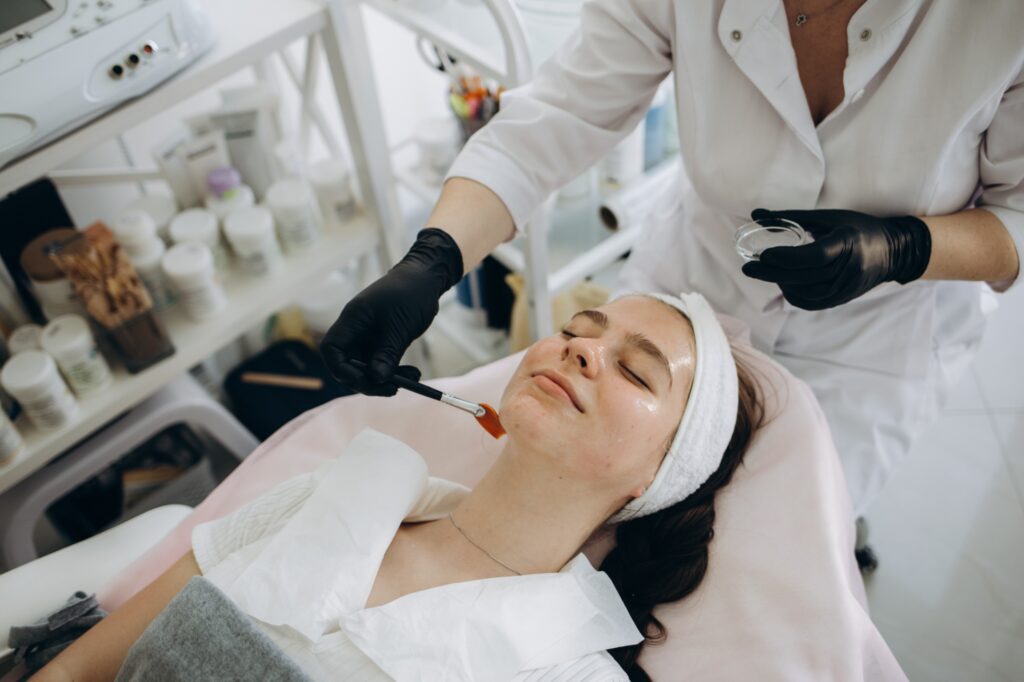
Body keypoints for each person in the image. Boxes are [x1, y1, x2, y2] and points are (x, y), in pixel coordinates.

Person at [320, 0, 1024, 516]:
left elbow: (1016, 217)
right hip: (691, 285)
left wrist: (903, 248)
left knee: (782, 531)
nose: (579, 353)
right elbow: (557, 119)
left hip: (870, 342)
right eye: (587, 344)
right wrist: (433, 259)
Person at [35, 293, 764, 681]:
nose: (580, 347)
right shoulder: (335, 489)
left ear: (657, 479)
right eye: (579, 327)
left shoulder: (563, 674)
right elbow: (75, 671)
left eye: (637, 372)